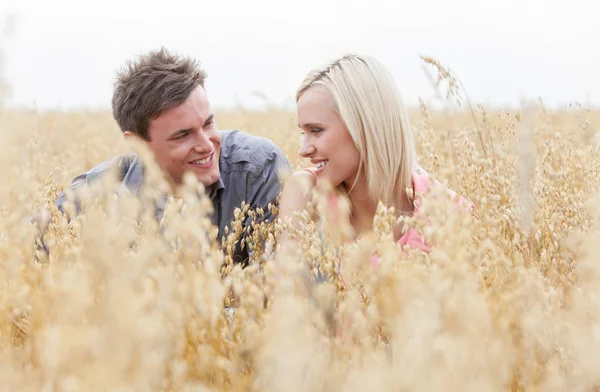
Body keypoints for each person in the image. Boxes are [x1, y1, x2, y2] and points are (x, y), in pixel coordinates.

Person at [44, 47, 291, 265]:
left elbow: (274, 296)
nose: (207, 145)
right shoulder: (97, 192)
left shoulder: (257, 169)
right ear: (138, 145)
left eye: (208, 124)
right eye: (183, 135)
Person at [277, 53, 474, 271]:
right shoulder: (306, 196)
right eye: (303, 133)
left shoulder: (450, 216)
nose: (303, 150)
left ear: (363, 126)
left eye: (316, 131)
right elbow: (287, 298)